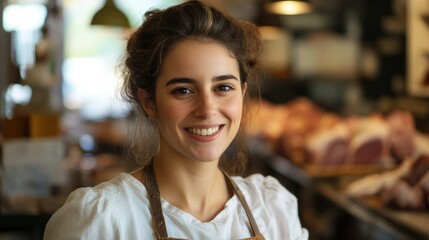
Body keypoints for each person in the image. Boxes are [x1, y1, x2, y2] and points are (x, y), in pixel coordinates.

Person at [44, 1, 309, 239]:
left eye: (223, 88)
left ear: (243, 93)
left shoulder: (273, 211)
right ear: (149, 102)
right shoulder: (102, 221)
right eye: (183, 90)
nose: (207, 109)